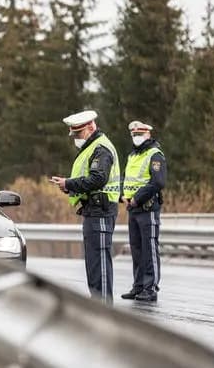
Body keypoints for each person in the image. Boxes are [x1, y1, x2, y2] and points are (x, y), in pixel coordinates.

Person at [50, 110, 120, 303]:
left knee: (100, 264)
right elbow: (89, 179)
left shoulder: (101, 148)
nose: (76, 138)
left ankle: (104, 308)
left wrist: (69, 183)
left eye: (78, 133)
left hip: (101, 211)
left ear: (91, 127)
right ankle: (98, 304)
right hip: (92, 210)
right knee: (93, 264)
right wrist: (68, 186)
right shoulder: (91, 148)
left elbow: (98, 178)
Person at [121, 121, 166, 302]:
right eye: (134, 134)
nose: (136, 137)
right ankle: (138, 286)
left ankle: (151, 287)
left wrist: (137, 198)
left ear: (148, 134)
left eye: (140, 134)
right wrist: (122, 196)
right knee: (137, 249)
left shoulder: (155, 155)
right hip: (133, 208)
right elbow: (126, 179)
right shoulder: (133, 155)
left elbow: (158, 182)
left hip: (147, 208)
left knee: (149, 249)